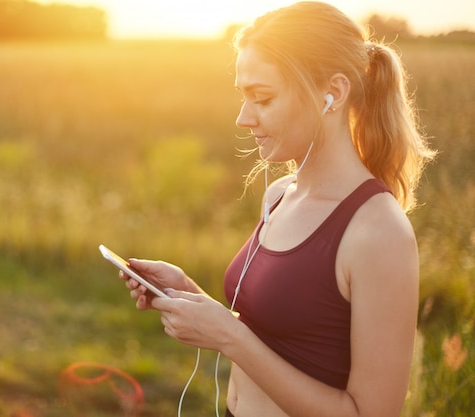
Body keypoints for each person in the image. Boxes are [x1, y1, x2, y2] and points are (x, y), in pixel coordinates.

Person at [120, 2, 436, 416]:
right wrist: (188, 294)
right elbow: (279, 336)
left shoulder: (378, 233)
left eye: (262, 98)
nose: (242, 118)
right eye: (243, 96)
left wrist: (230, 337)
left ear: (334, 93)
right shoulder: (281, 195)